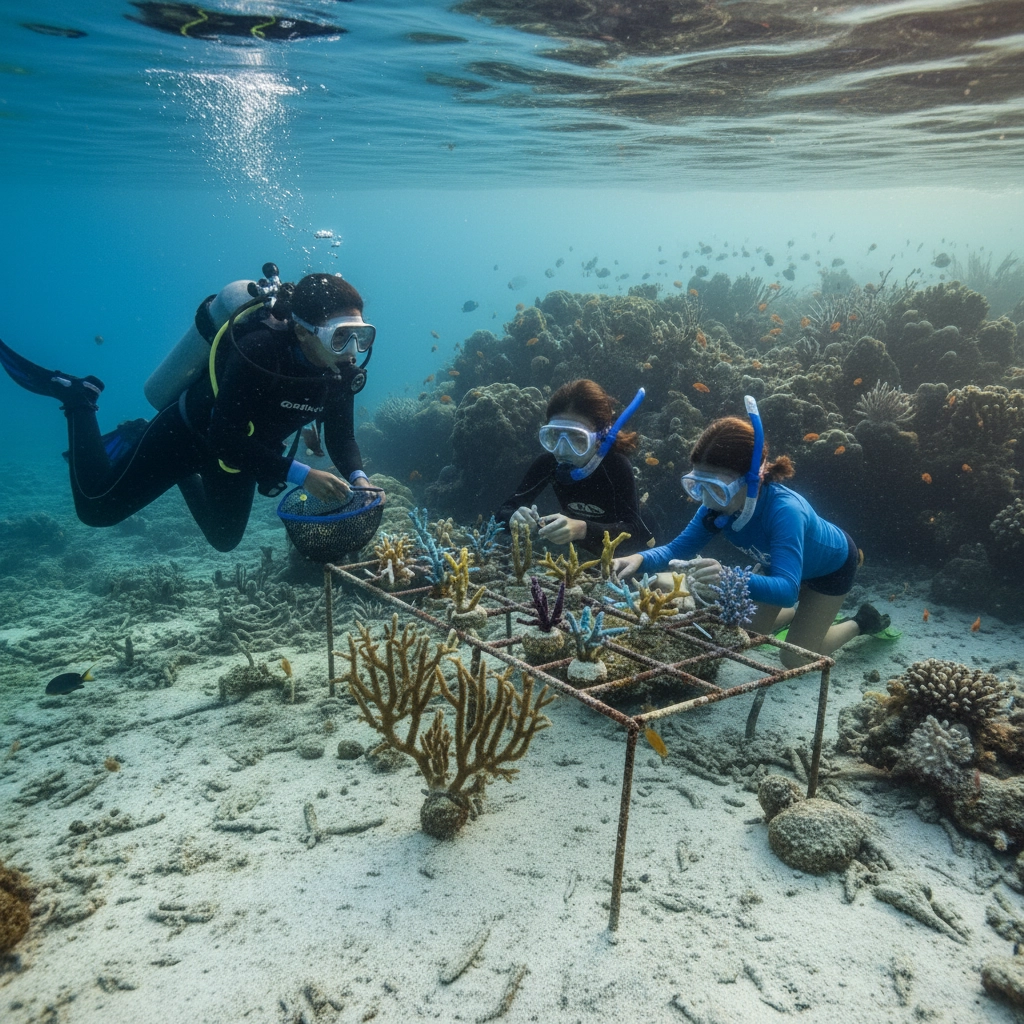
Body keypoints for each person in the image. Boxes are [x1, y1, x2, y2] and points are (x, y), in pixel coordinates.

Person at [0, 272, 379, 552]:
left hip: (242, 455)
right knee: (96, 510)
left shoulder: (340, 374)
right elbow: (224, 436)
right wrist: (301, 474)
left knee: (224, 539)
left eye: (360, 336)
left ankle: (171, 467)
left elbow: (341, 434)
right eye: (340, 336)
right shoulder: (261, 351)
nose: (351, 350)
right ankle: (79, 399)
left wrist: (358, 477)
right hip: (186, 434)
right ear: (303, 331)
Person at [612, 396, 891, 666]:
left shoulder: (785, 511)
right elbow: (676, 550)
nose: (706, 499)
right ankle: (802, 615)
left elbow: (786, 590)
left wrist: (729, 577)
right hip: (781, 567)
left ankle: (862, 622)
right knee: (747, 634)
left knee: (794, 658)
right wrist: (638, 559)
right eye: (698, 485)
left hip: (830, 569)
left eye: (717, 488)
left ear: (752, 481)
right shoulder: (715, 509)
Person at [497, 378, 652, 555]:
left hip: (644, 551)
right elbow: (503, 511)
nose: (562, 450)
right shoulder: (548, 463)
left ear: (600, 439)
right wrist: (513, 517)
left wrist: (582, 529)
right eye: (555, 436)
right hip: (586, 556)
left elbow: (634, 533)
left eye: (578, 439)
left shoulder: (616, 466)